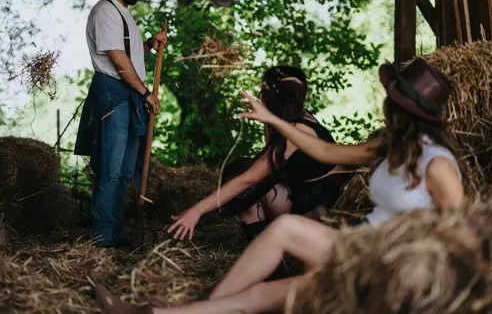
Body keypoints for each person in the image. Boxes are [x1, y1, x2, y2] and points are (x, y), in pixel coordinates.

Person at [94, 57, 466, 313]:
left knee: (261, 294)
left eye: (392, 98)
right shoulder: (391, 144)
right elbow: (322, 149)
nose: (386, 103)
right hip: (359, 243)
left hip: (391, 262)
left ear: (402, 109)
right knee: (281, 239)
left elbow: (459, 241)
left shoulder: (437, 165)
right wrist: (270, 118)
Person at [168, 65, 354, 243]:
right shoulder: (303, 116)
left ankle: (267, 251)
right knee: (245, 168)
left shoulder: (292, 134)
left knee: (246, 183)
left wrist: (197, 210)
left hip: (319, 207)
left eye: (262, 93)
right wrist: (268, 117)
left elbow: (248, 179)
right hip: (317, 194)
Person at [74, 0, 167, 248]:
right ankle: (102, 240)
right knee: (110, 169)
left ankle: (115, 235)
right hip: (113, 95)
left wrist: (150, 45)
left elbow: (129, 56)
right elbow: (117, 60)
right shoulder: (106, 11)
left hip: (128, 97)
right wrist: (145, 93)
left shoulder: (125, 15)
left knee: (125, 170)